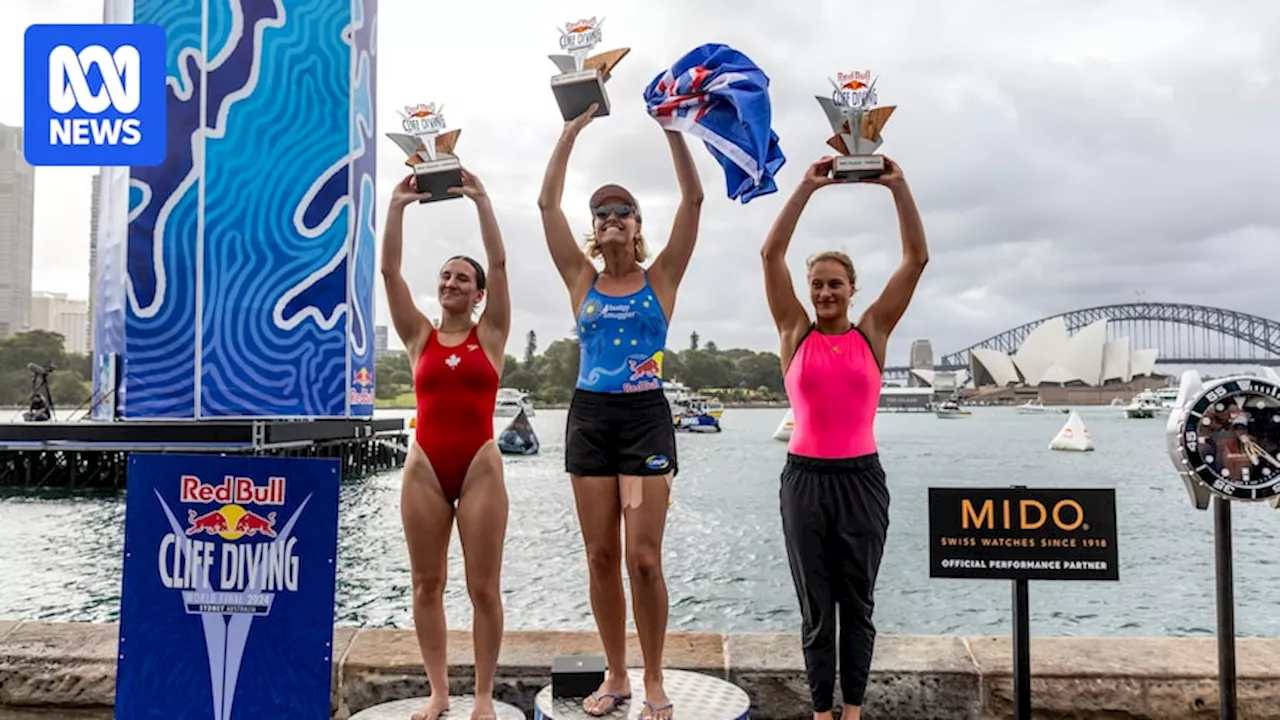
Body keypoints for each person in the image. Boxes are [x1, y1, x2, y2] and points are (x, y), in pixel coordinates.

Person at [536, 103, 705, 720]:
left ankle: (655, 674)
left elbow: (693, 204)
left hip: (644, 417)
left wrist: (672, 130)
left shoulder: (659, 279)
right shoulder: (580, 279)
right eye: (601, 213)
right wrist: (571, 130)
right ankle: (616, 673)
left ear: (637, 227)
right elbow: (546, 207)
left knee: (643, 557)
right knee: (601, 556)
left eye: (622, 211)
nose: (610, 218)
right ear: (594, 229)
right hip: (589, 416)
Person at [760, 156, 928, 720]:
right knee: (815, 609)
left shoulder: (872, 333)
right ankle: (821, 712)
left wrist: (898, 186)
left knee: (857, 604)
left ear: (853, 289)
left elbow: (916, 259)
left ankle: (852, 711)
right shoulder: (794, 332)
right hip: (804, 482)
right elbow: (769, 255)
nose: (825, 292)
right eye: (817, 285)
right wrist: (806, 188)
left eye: (835, 284)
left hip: (861, 482)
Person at [381, 168, 511, 720]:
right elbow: (388, 271)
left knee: (483, 588)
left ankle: (482, 696)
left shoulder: (492, 334)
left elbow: (501, 264)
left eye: (463, 279)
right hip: (425, 468)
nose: (453, 284)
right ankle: (439, 692)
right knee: (426, 584)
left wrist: (482, 202)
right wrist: (396, 206)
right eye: (446, 277)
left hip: (479, 465)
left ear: (478, 295)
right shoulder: (418, 336)